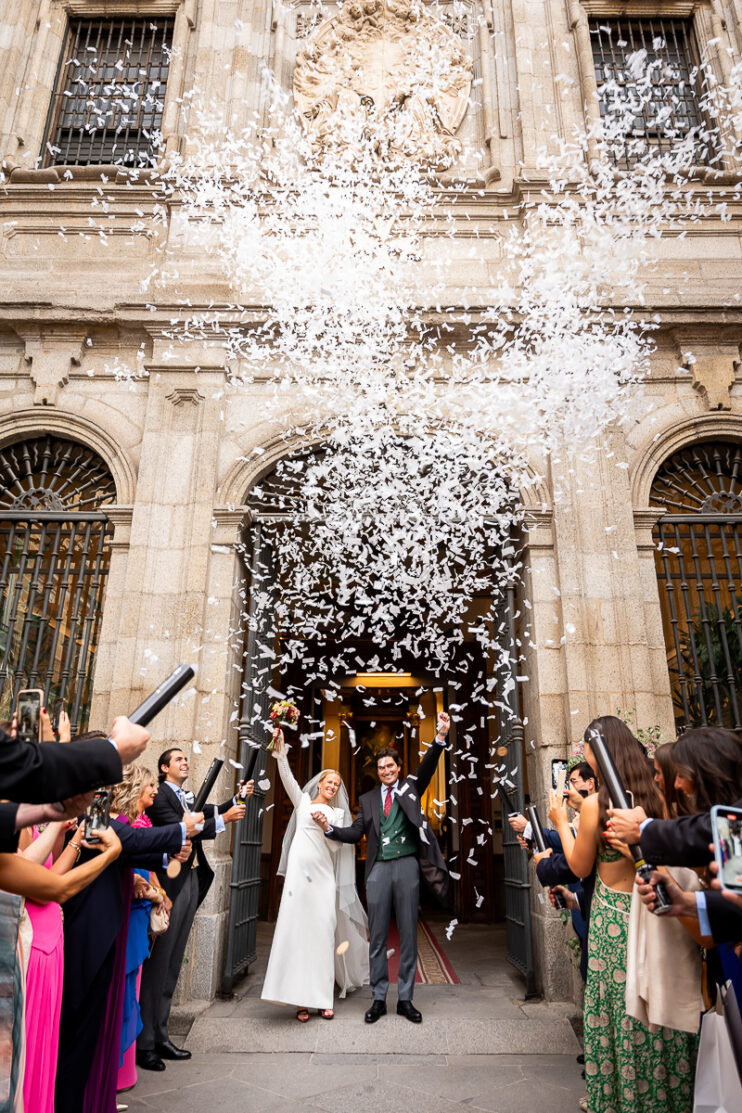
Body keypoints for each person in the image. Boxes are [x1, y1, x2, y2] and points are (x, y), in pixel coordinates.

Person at [548, 715, 700, 1113]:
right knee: (659, 1001)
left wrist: (562, 823)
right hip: (660, 907)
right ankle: (666, 1096)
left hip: (614, 917)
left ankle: (618, 1098)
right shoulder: (658, 795)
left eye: (585, 748)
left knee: (618, 1008)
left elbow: (580, 867)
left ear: (597, 751)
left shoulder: (601, 803)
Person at [55, 803, 199, 1113]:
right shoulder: (78, 812)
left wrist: (168, 855)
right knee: (73, 1036)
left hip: (98, 930)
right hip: (81, 933)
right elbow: (127, 842)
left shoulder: (84, 810)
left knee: (87, 1033)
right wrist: (182, 829)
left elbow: (126, 849)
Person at [314, 712, 450, 1024]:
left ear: (399, 769)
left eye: (391, 766)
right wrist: (328, 829)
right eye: (381, 767)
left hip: (406, 867)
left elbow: (428, 765)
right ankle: (378, 998)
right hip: (377, 871)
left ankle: (405, 999)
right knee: (377, 936)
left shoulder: (411, 788)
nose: (386, 770)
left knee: (407, 933)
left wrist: (440, 736)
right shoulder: (369, 799)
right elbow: (354, 832)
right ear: (377, 771)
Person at [136, 747, 252, 1070]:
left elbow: (211, 810)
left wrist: (237, 798)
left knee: (173, 961)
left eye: (187, 758)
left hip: (189, 879)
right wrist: (221, 819)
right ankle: (145, 1043)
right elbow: (180, 827)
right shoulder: (160, 797)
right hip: (169, 883)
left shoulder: (187, 796)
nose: (185, 762)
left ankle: (161, 1034)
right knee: (158, 962)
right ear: (163, 768)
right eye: (178, 759)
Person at [261, 730, 368, 1020]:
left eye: (337, 784)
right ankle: (300, 1000)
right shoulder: (303, 803)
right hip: (298, 879)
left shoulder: (337, 816)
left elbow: (337, 847)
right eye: (329, 782)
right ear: (319, 783)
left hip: (322, 878)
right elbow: (287, 779)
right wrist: (280, 751)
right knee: (296, 934)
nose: (332, 786)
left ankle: (323, 998)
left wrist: (325, 826)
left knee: (322, 934)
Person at [115, 767, 170, 1094]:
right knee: (123, 996)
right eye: (150, 785)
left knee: (130, 991)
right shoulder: (124, 827)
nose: (154, 791)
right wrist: (154, 893)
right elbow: (134, 875)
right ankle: (116, 1074)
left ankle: (122, 1074)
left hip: (138, 914)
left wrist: (156, 891)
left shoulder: (138, 823)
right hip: (129, 912)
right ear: (135, 788)